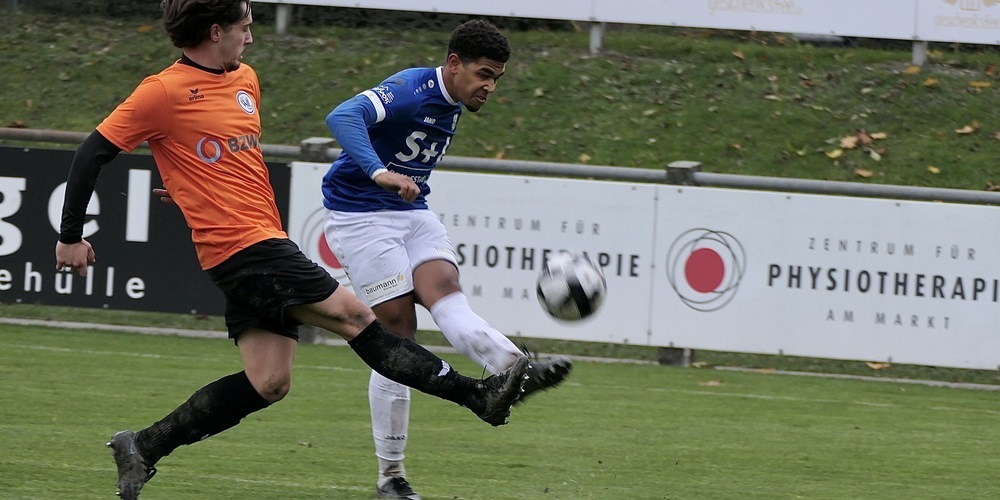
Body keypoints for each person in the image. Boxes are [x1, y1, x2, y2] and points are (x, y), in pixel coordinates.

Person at [54, 3, 531, 499]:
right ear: (216, 31)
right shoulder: (162, 91)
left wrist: (195, 189)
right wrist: (70, 234)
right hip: (244, 249)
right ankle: (475, 395)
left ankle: (143, 446)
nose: (251, 39)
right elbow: (94, 150)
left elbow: (221, 157)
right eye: (245, 28)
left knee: (269, 381)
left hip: (263, 240)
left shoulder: (245, 81)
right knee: (355, 318)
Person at [321, 19, 573, 500]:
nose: (489, 87)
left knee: (446, 294)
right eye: (483, 74)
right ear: (453, 64)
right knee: (395, 336)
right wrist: (377, 172)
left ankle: (512, 369)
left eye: (496, 78)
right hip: (359, 216)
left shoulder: (456, 99)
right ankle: (390, 477)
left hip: (412, 211)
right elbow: (342, 116)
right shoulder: (410, 89)